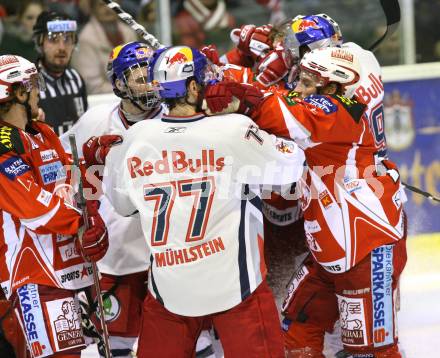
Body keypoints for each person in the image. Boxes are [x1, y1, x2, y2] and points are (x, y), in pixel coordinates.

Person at [92, 45, 305, 357]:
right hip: (235, 290)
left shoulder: (136, 139)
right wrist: (247, 108)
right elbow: (293, 164)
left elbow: (123, 205)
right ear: (193, 88)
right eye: (206, 79)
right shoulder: (233, 129)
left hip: (170, 293)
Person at [210, 46, 407, 358]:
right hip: (331, 252)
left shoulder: (340, 110)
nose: (296, 88)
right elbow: (281, 101)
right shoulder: (327, 101)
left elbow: (282, 114)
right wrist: (230, 79)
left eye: (306, 82)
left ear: (332, 87)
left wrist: (240, 96)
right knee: (298, 326)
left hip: (367, 251)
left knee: (372, 352)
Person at [0, 54, 109, 358]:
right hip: (35, 278)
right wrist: (84, 222)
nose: (39, 91)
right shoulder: (2, 149)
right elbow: (35, 208)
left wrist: (92, 166)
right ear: (18, 93)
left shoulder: (44, 133)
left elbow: (71, 184)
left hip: (74, 269)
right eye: (33, 85)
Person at [60, 41, 163, 358]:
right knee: (116, 344)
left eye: (153, 73)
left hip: (166, 255)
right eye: (139, 75)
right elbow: (64, 169)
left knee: (181, 342)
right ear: (119, 83)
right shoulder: (96, 121)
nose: (150, 82)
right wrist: (83, 221)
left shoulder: (175, 118)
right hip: (115, 255)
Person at [33, 10, 89, 136]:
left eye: (67, 39)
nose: (62, 47)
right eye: (53, 39)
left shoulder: (76, 78)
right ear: (40, 43)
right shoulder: (30, 81)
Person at [71, 0, 137, 94]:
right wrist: (129, 89)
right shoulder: (85, 39)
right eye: (102, 5)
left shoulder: (129, 33)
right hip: (100, 101)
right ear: (93, 9)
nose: (108, 8)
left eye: (112, 4)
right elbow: (92, 86)